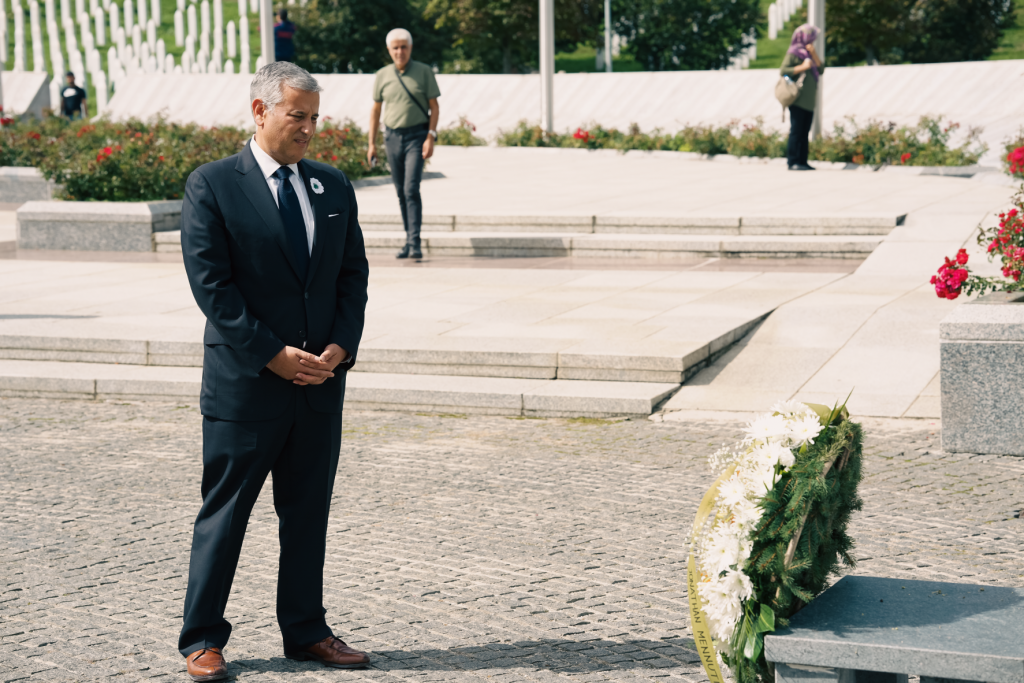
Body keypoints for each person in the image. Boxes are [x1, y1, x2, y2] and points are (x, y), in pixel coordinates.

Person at [177, 61, 370, 681]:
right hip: (247, 387)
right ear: (260, 112)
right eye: (298, 115)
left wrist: (338, 350)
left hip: (318, 386)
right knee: (225, 513)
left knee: (308, 514)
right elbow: (214, 289)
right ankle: (202, 638)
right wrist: (274, 355)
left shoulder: (333, 187)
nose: (309, 129)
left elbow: (352, 279)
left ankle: (307, 630)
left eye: (315, 117)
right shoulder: (212, 185)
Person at [367, 28, 440, 260]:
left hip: (417, 137)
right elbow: (376, 110)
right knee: (400, 191)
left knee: (411, 188)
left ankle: (414, 242)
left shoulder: (424, 72)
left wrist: (431, 136)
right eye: (395, 48)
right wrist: (372, 144)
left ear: (410, 48)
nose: (400, 51)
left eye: (404, 47)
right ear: (389, 50)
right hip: (392, 138)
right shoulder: (382, 75)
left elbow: (434, 107)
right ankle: (409, 241)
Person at [779, 24, 824, 171]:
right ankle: (793, 162)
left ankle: (803, 161)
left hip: (809, 100)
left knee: (805, 132)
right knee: (796, 131)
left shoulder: (809, 53)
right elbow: (784, 70)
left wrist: (814, 53)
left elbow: (821, 69)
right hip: (797, 99)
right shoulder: (794, 52)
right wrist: (803, 67)